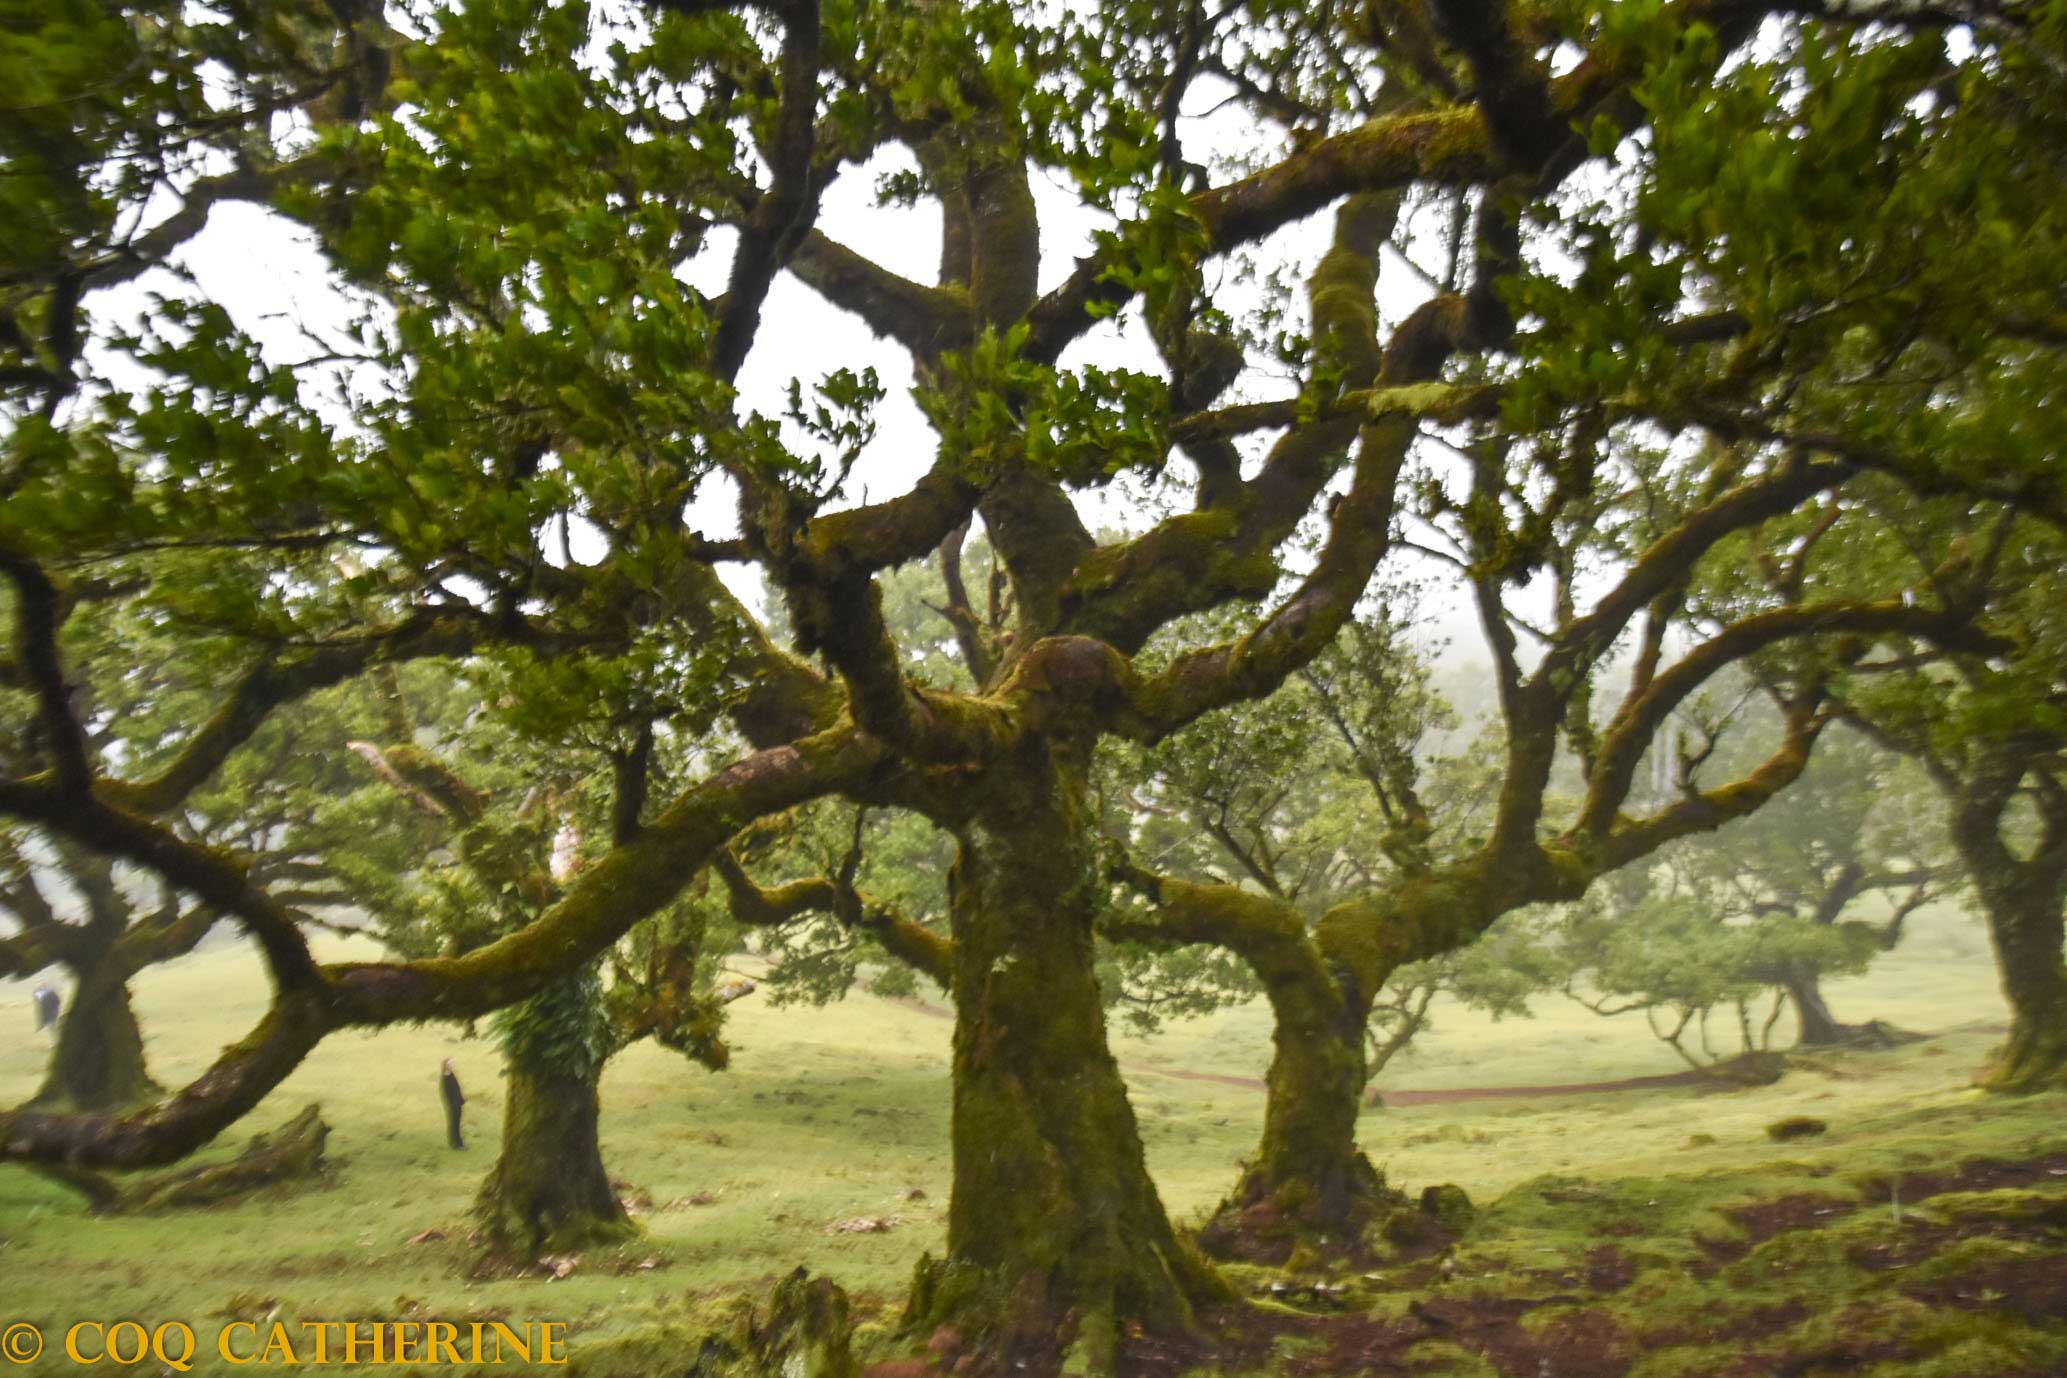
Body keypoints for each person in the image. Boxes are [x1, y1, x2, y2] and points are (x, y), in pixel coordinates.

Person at [440, 1058, 466, 1150]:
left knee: (457, 1123)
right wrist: (452, 1105)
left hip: (458, 1103)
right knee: (454, 1124)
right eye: (450, 1064)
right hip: (453, 1105)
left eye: (452, 1063)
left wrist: (461, 1100)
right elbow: (446, 1093)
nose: (452, 1065)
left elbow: (457, 1088)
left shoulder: (451, 1074)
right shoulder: (445, 1078)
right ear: (446, 1066)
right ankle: (455, 1143)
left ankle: (458, 1141)